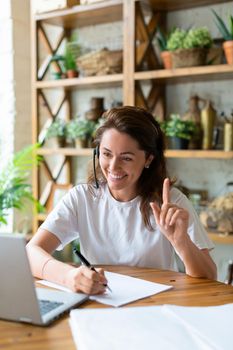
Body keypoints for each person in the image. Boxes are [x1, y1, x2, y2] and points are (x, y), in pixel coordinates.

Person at [27, 106, 217, 295]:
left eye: (126, 158)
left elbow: (210, 277)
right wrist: (68, 276)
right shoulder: (81, 198)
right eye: (107, 154)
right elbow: (31, 252)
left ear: (148, 159)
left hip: (156, 308)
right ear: (97, 152)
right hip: (100, 303)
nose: (113, 166)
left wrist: (181, 242)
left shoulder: (171, 202)